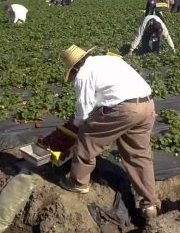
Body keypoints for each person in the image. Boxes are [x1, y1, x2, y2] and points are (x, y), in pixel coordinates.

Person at [59, 45, 161, 219]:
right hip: (147, 105)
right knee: (139, 155)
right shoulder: (110, 60)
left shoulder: (83, 74)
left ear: (74, 67)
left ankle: (78, 182)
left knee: (87, 138)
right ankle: (150, 204)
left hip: (124, 109)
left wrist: (74, 126)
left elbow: (84, 113)